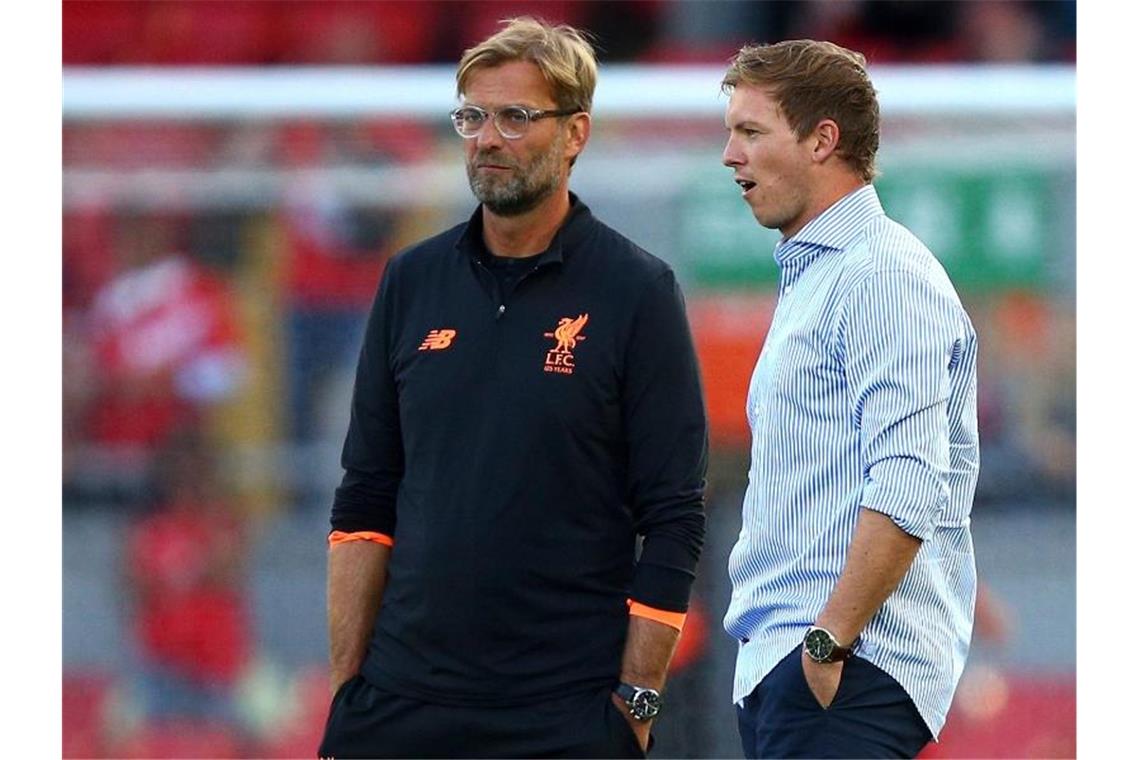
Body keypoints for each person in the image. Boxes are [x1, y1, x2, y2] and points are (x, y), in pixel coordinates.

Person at [318, 17, 708, 759]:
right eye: (473, 116)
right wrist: (350, 690)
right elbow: (365, 496)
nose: (487, 139)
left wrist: (637, 701)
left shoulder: (637, 291)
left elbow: (674, 515)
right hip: (401, 707)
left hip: (564, 715)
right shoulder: (410, 280)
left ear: (575, 134)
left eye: (516, 117)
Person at [719, 40, 980, 758]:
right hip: (800, 667)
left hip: (847, 667)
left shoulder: (880, 275)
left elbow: (906, 480)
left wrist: (827, 645)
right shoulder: (823, 277)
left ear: (821, 139)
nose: (728, 155)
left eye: (750, 131)